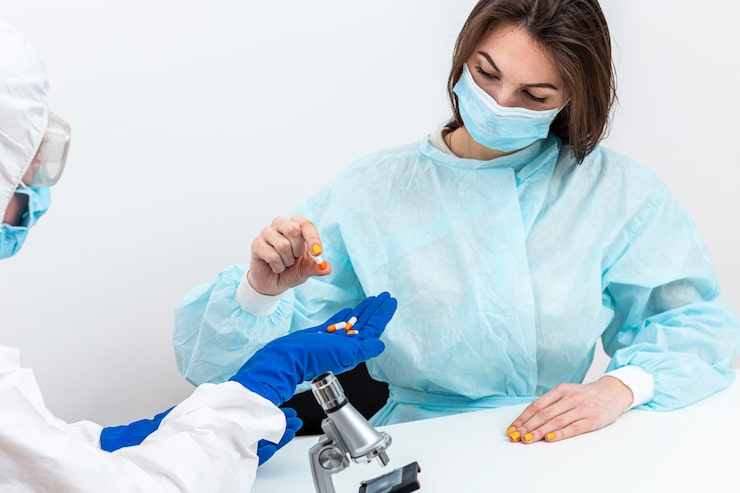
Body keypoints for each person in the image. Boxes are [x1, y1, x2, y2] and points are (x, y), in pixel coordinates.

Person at [173, 0, 740, 446]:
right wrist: (259, 294)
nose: (498, 103)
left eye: (533, 95)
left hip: (557, 446)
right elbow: (226, 372)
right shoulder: (373, 191)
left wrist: (621, 387)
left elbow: (693, 323)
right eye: (486, 73)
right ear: (463, 56)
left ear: (571, 100)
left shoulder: (613, 192)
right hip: (423, 446)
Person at [0, 18, 398, 492]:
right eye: (25, 172)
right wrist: (262, 378)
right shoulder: (369, 186)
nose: (35, 192)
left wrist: (135, 439)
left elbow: (33, 457)